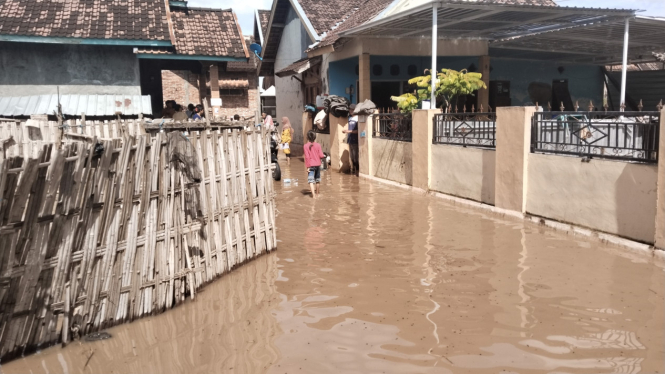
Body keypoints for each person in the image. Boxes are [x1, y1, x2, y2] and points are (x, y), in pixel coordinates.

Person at [303, 130, 325, 198]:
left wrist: (308, 167)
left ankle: (313, 195)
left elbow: (307, 157)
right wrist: (324, 156)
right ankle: (317, 194)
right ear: (315, 137)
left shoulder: (305, 146)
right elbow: (321, 155)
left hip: (311, 165)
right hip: (318, 164)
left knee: (311, 181)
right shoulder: (318, 145)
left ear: (307, 137)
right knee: (317, 180)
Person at [343, 103, 359, 175]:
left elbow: (358, 131)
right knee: (352, 158)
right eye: (350, 109)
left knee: (356, 158)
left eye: (352, 109)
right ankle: (353, 172)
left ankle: (357, 172)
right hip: (350, 140)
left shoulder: (357, 119)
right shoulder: (350, 118)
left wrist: (348, 131)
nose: (350, 111)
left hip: (355, 141)